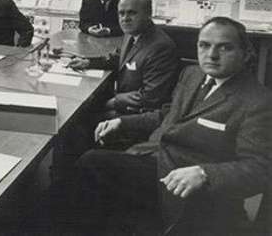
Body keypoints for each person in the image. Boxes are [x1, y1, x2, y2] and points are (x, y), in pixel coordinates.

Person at [71, 17, 272, 235]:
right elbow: (167, 115)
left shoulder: (257, 101)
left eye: (225, 47)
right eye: (204, 45)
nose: (212, 55)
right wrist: (122, 122)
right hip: (154, 160)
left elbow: (261, 168)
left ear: (246, 53)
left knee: (92, 163)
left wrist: (205, 174)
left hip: (191, 192)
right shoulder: (192, 74)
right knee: (79, 165)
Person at [70, 0, 180, 117]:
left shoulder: (161, 47)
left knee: (82, 117)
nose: (125, 18)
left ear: (148, 14)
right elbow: (120, 58)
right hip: (125, 99)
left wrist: (112, 102)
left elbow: (151, 97)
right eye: (121, 13)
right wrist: (88, 62)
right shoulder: (131, 33)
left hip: (140, 113)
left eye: (131, 13)